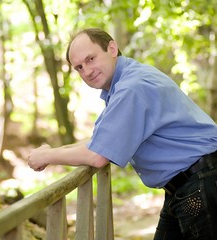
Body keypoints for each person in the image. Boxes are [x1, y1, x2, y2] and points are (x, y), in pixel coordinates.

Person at [28, 28, 217, 239]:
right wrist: (52, 150)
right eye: (79, 67)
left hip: (201, 183)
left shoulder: (131, 88)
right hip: (186, 185)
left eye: (90, 59)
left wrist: (47, 156)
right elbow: (98, 143)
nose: (87, 71)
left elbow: (98, 156)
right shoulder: (122, 83)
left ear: (112, 48)